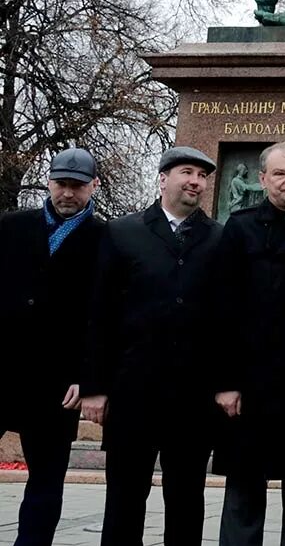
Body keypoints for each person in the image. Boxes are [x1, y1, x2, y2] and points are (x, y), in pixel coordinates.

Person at [80, 147, 225, 546]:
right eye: (186, 172)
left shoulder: (218, 238)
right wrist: (94, 385)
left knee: (186, 499)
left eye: (201, 175)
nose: (195, 181)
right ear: (163, 179)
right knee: (125, 497)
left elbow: (226, 318)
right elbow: (99, 314)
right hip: (133, 391)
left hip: (192, 397)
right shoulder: (123, 232)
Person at [214, 143, 285, 546]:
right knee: (244, 488)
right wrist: (226, 381)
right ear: (262, 179)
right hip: (252, 382)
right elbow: (222, 309)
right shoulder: (239, 228)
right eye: (280, 174)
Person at [0, 148, 104, 546]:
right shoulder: (12, 226)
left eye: (77, 186)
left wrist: (86, 375)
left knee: (46, 481)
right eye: (61, 184)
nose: (67, 193)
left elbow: (103, 315)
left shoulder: (103, 238)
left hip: (57, 384)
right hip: (5, 370)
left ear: (93, 186)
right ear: (49, 182)